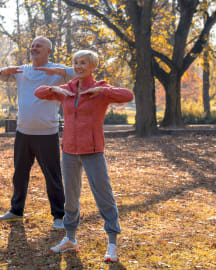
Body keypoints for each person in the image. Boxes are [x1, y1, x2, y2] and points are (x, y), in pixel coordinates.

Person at [34, 49, 134, 262]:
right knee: (70, 199)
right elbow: (39, 92)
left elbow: (128, 95)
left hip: (93, 151)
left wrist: (102, 92)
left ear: (92, 66)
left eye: (83, 63)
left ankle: (112, 243)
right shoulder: (67, 89)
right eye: (76, 62)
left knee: (104, 197)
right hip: (69, 151)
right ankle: (70, 238)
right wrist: (55, 88)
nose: (78, 66)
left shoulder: (101, 89)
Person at [0, 36, 75, 230]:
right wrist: (5, 71)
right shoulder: (23, 70)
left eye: (39, 46)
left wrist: (55, 71)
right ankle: (16, 211)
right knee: (20, 174)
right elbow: (1, 76)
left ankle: (59, 216)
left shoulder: (58, 71)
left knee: (53, 177)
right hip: (23, 132)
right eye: (32, 46)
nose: (34, 48)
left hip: (47, 133)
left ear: (49, 51)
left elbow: (78, 73)